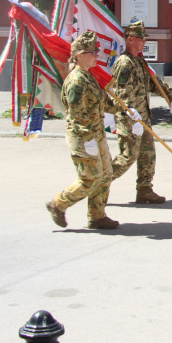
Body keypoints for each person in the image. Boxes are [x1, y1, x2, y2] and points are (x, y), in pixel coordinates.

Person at [45, 31, 124, 229]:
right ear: (79, 55)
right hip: (83, 137)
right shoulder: (76, 81)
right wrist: (88, 140)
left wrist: (126, 110)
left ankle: (97, 216)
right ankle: (59, 203)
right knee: (91, 178)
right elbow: (76, 114)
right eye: (92, 52)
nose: (97, 55)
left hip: (96, 135)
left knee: (106, 175)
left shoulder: (88, 77)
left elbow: (102, 104)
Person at [110, 21, 172, 204]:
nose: (143, 42)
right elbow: (121, 92)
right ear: (130, 39)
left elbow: (153, 82)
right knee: (128, 157)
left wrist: (170, 97)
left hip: (143, 117)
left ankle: (144, 190)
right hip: (130, 118)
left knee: (148, 154)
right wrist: (130, 114)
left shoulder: (139, 60)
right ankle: (98, 183)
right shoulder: (124, 63)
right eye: (140, 38)